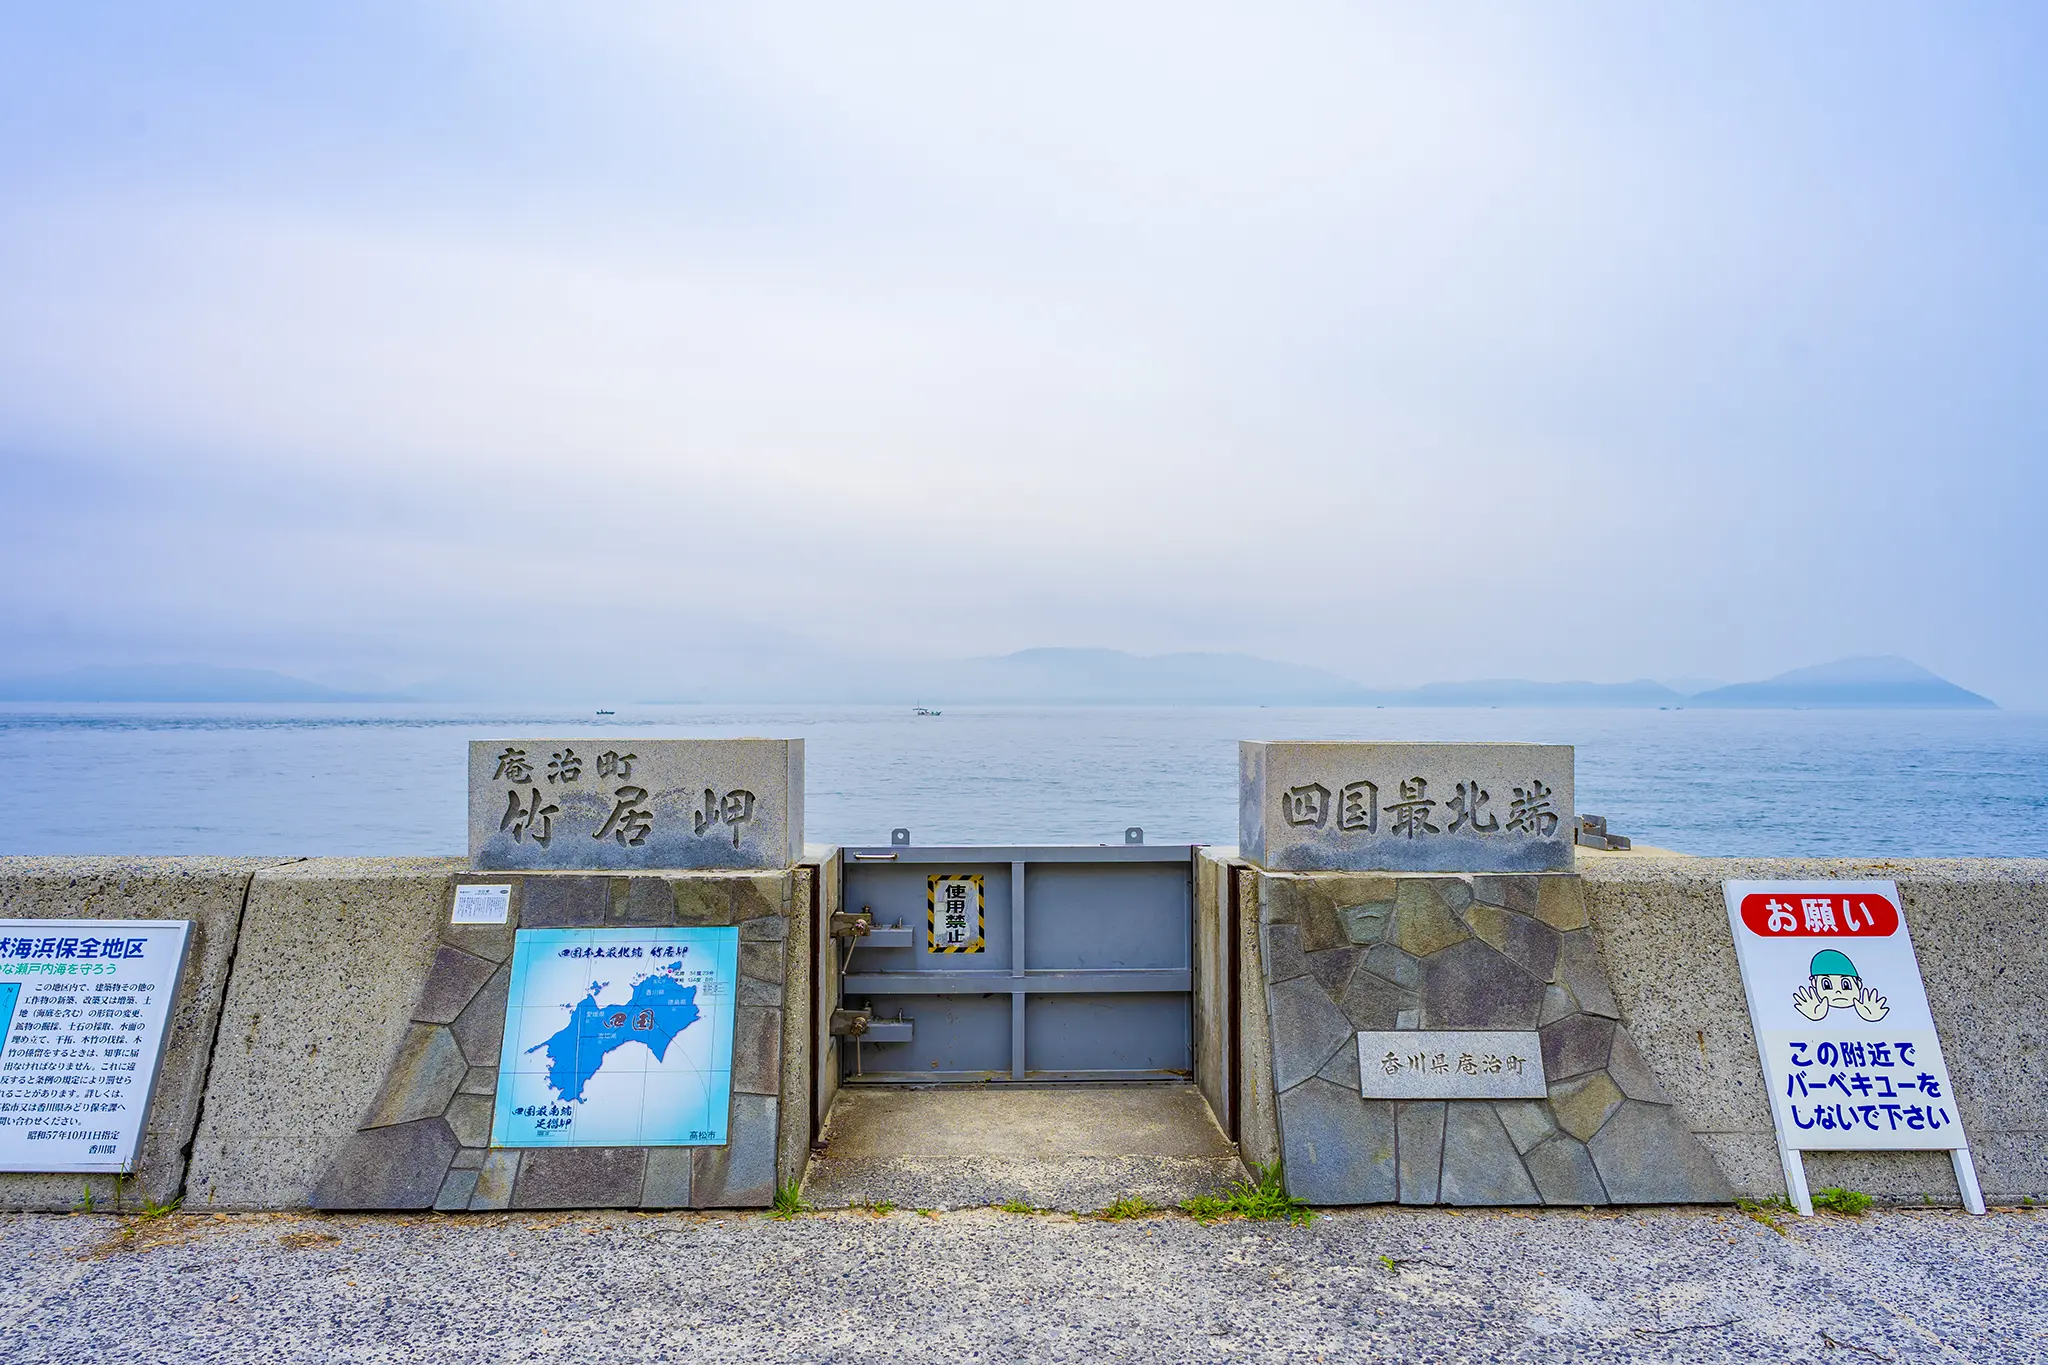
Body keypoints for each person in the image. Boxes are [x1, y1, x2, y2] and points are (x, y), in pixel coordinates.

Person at [1791, 948, 1889, 1022]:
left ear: (1858, 984)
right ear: (1814, 984)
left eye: (1846, 985)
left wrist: (1873, 1018)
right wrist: (1813, 1017)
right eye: (1827, 985)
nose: (1838, 991)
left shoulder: (1866, 1012)